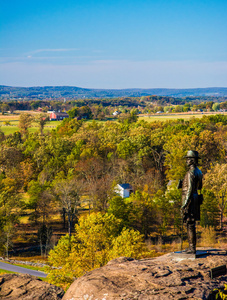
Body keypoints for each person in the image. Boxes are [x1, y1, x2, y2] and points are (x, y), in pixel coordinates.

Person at [178, 150, 203, 254]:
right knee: (191, 224)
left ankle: (192, 248)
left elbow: (189, 190)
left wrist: (184, 204)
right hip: (195, 198)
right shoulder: (199, 172)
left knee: (190, 224)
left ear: (192, 160)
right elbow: (200, 186)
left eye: (188, 159)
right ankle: (191, 247)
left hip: (190, 200)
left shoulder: (190, 173)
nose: (186, 161)